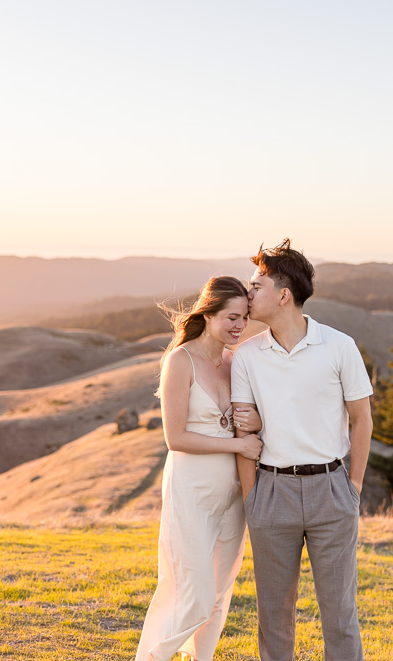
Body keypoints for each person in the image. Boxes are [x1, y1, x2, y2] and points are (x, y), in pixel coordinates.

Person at [231, 239, 374, 661]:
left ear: (283, 295)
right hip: (270, 493)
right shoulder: (246, 356)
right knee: (273, 614)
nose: (248, 293)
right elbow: (244, 430)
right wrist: (251, 497)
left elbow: (362, 419)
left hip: (332, 490)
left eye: (255, 285)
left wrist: (354, 488)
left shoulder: (339, 346)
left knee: (339, 613)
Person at [136, 276, 265, 661]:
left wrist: (254, 425)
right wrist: (239, 443)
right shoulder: (180, 360)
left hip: (233, 495)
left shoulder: (234, 360)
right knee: (193, 595)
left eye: (244, 317)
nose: (240, 326)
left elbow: (251, 420)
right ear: (207, 314)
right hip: (192, 492)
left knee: (220, 594)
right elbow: (175, 437)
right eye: (231, 317)